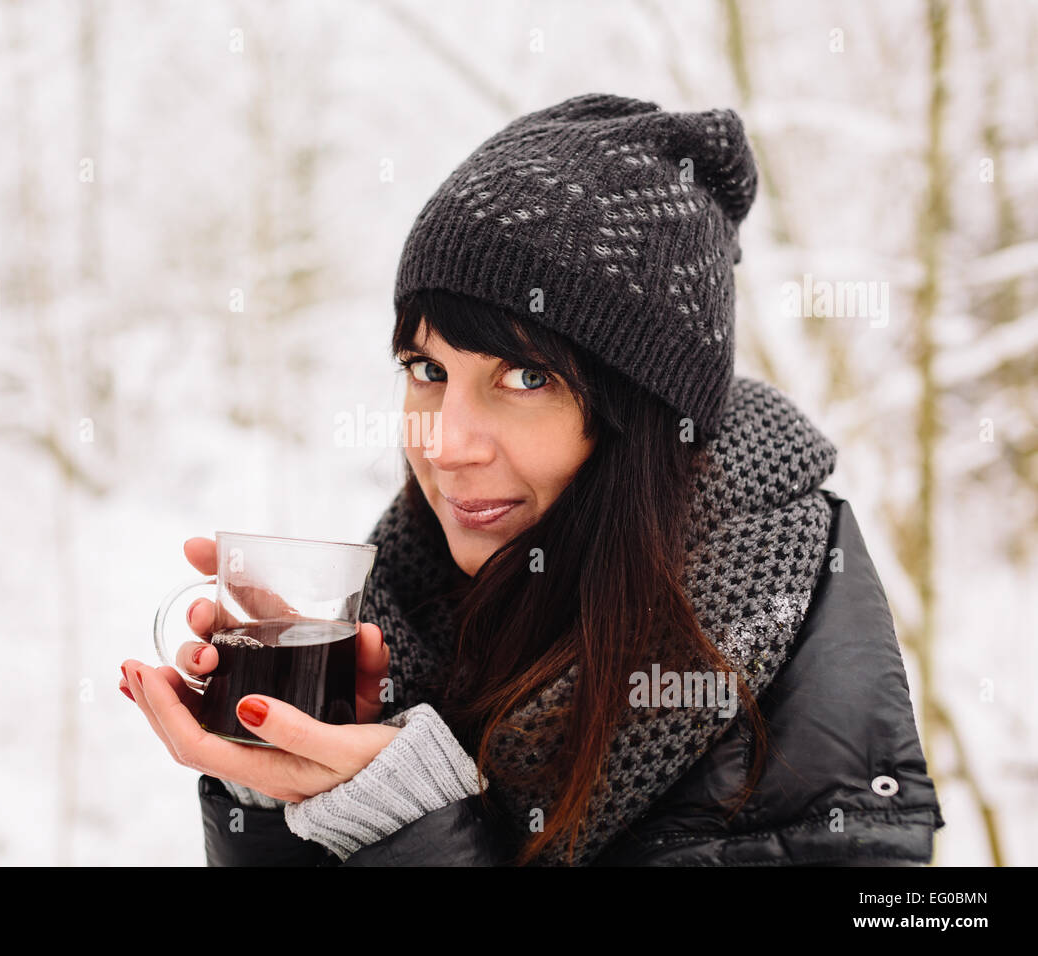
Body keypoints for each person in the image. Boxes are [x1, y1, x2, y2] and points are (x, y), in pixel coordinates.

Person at [121, 93, 945, 866]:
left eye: (525, 378)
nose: (446, 447)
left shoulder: (780, 664)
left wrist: (410, 818)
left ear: (645, 416)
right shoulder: (402, 611)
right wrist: (287, 790)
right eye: (425, 368)